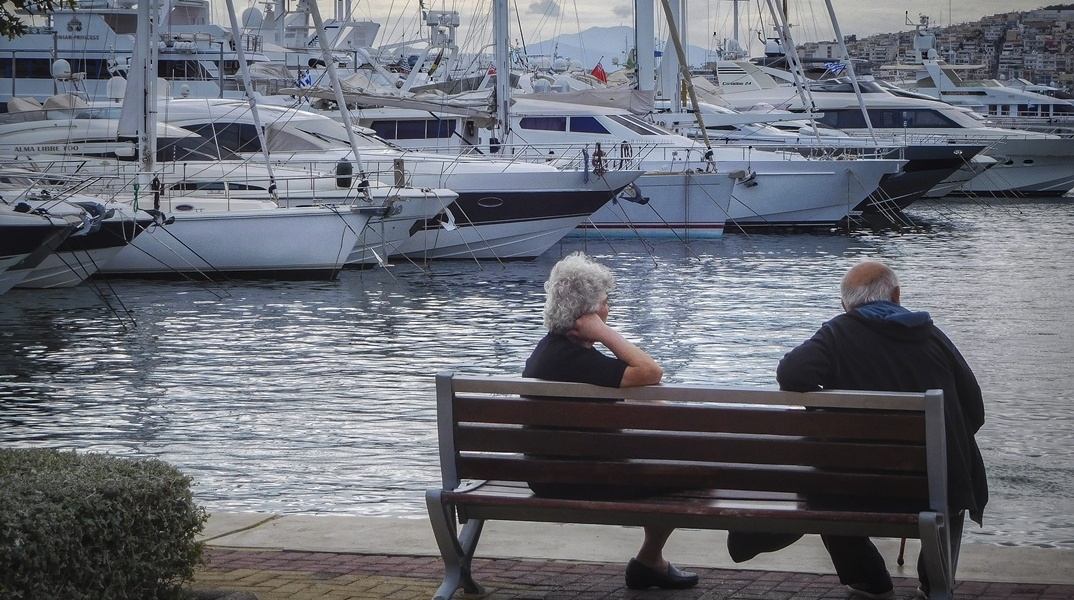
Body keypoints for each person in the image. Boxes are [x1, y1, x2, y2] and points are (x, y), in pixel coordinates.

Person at [729, 261, 988, 600]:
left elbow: (792, 373)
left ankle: (868, 579)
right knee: (955, 470)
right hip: (936, 489)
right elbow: (974, 410)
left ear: (845, 304)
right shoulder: (933, 337)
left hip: (852, 489)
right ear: (896, 295)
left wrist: (830, 410)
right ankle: (935, 581)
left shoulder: (838, 334)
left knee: (827, 473)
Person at [522, 252, 698, 591]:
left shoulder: (549, 352)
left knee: (672, 458)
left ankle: (651, 560)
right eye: (605, 303)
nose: (609, 309)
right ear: (588, 314)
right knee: (693, 470)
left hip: (544, 475)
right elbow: (651, 372)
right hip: (582, 479)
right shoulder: (578, 360)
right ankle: (650, 559)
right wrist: (605, 333)